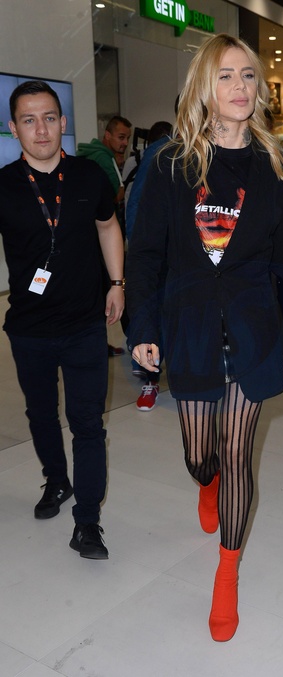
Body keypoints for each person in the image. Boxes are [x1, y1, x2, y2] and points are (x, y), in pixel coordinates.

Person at [126, 33, 283, 642]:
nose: (239, 87)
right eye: (226, 75)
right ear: (204, 86)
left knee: (237, 453)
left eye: (248, 75)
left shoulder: (276, 169)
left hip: (254, 329)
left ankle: (227, 573)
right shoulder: (170, 165)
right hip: (191, 326)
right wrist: (143, 327)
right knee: (200, 456)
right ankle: (207, 485)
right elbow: (146, 255)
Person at [0, 80, 124, 559]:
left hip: (85, 323)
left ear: (63, 123)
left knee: (87, 422)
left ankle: (87, 521)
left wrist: (117, 283)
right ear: (14, 129)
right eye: (29, 120)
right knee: (41, 414)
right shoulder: (5, 185)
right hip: (28, 328)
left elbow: (108, 226)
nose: (41, 129)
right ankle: (56, 479)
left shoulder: (89, 176)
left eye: (49, 118)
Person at [123, 120, 173, 411]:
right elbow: (138, 204)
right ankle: (150, 377)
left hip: (188, 257)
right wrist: (139, 250)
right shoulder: (162, 152)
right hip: (160, 254)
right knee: (152, 312)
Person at [77, 115, 132, 356]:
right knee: (103, 292)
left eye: (127, 138)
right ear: (107, 135)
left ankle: (98, 345)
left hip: (89, 239)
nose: (124, 143)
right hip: (100, 240)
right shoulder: (102, 159)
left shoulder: (88, 156)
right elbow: (114, 196)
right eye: (121, 137)